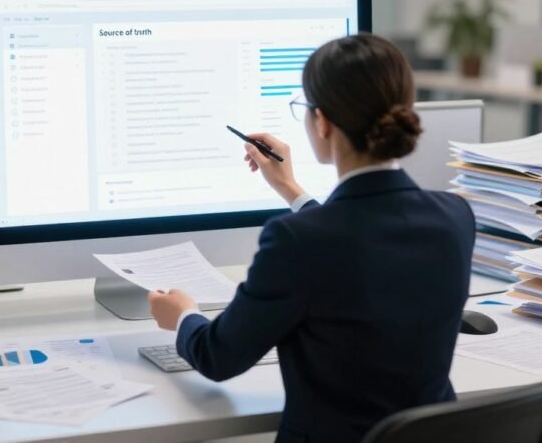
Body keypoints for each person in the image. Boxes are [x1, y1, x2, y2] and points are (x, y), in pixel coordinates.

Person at [148, 34, 476, 443]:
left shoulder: (296, 242)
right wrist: (291, 189)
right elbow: (362, 234)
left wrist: (182, 315)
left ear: (322, 122)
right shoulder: (455, 217)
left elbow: (218, 356)